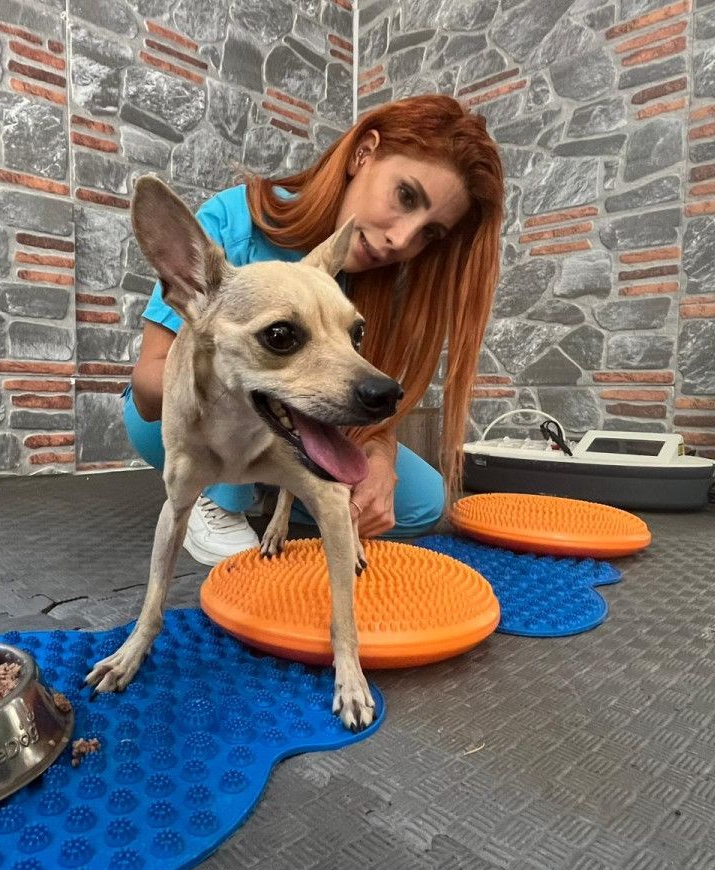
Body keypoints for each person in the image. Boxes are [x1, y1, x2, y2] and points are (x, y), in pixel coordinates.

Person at [123, 93, 505, 565]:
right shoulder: (236, 222)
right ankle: (215, 495)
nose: (402, 239)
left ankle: (280, 487)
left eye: (429, 233)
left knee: (424, 501)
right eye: (405, 196)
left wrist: (380, 461)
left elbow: (363, 396)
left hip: (304, 422)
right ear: (364, 153)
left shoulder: (380, 280)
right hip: (180, 413)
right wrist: (245, 382)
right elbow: (147, 388)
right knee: (241, 407)